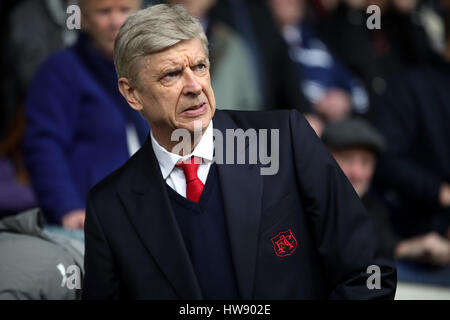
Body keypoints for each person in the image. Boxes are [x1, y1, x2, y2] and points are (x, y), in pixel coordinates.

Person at [82, 4, 396, 299]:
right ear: (132, 93)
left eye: (200, 66)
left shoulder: (286, 140)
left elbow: (369, 274)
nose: (195, 86)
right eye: (171, 74)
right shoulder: (110, 207)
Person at [22, 0, 148, 230]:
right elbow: (44, 146)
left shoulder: (147, 69)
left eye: (124, 10)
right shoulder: (60, 70)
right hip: (91, 219)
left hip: (144, 213)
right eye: (103, 12)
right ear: (84, 19)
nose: (115, 21)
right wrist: (66, 207)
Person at [323, 119, 450, 287]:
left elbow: (384, 245)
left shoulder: (371, 206)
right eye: (347, 159)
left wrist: (423, 246)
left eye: (366, 163)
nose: (357, 173)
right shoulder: (300, 203)